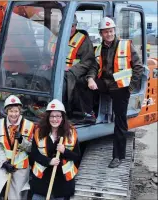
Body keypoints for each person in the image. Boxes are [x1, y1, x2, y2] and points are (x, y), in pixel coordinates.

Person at [77, 17, 144, 168]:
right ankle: (89, 114)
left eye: (111, 31)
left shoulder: (126, 45)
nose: (109, 34)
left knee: (120, 121)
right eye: (106, 32)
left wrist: (131, 87)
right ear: (101, 33)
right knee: (81, 83)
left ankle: (118, 156)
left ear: (114, 31)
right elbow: (94, 66)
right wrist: (90, 79)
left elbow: (138, 67)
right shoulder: (99, 48)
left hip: (121, 86)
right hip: (106, 83)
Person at [0, 95, 35, 200]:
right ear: (6, 111)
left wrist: (22, 141)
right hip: (2, 163)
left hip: (20, 166)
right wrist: (4, 163)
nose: (14, 114)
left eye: (16, 111)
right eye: (11, 111)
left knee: (16, 196)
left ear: (20, 111)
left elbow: (31, 149)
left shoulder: (29, 126)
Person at [29, 99, 80, 200]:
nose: (55, 119)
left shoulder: (71, 132)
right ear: (47, 117)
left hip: (62, 183)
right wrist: (49, 161)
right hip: (42, 182)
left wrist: (64, 151)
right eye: (52, 116)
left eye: (58, 116)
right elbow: (34, 154)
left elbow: (77, 156)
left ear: (62, 118)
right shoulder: (39, 131)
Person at [62, 15, 97, 121]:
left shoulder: (83, 40)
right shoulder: (57, 37)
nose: (70, 29)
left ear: (75, 26)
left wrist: (72, 69)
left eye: (72, 26)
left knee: (66, 79)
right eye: (67, 26)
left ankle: (68, 109)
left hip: (77, 70)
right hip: (59, 69)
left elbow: (88, 61)